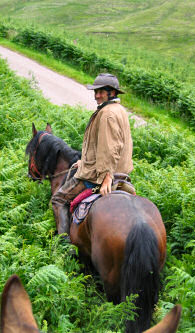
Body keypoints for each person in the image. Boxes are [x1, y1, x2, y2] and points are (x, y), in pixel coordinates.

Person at [51, 73, 133, 237]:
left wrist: (106, 176)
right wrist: (85, 161)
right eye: (95, 91)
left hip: (99, 175)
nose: (96, 95)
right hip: (122, 172)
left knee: (58, 199)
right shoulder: (119, 110)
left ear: (112, 92)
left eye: (101, 91)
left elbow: (109, 148)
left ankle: (63, 246)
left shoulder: (107, 114)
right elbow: (109, 145)